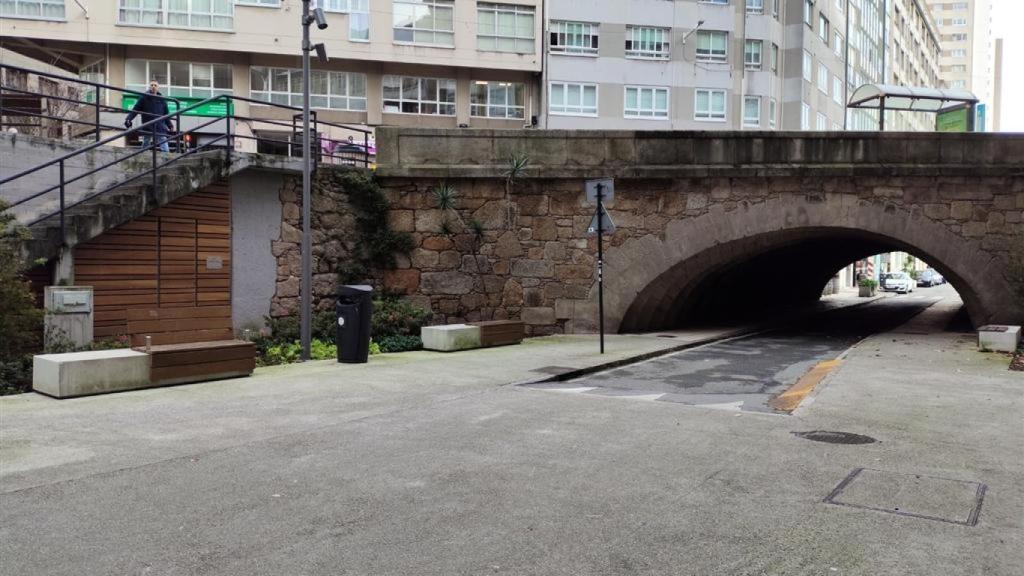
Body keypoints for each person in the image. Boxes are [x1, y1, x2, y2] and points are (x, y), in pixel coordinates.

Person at [124, 80, 174, 153]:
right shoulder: (144, 98)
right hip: (148, 124)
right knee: (146, 142)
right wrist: (129, 119)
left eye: (155, 85)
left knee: (163, 141)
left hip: (159, 125)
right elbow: (136, 109)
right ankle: (143, 155)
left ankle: (167, 159)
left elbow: (166, 114)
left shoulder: (162, 99)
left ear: (158, 87)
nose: (153, 87)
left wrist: (170, 125)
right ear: (149, 87)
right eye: (152, 85)